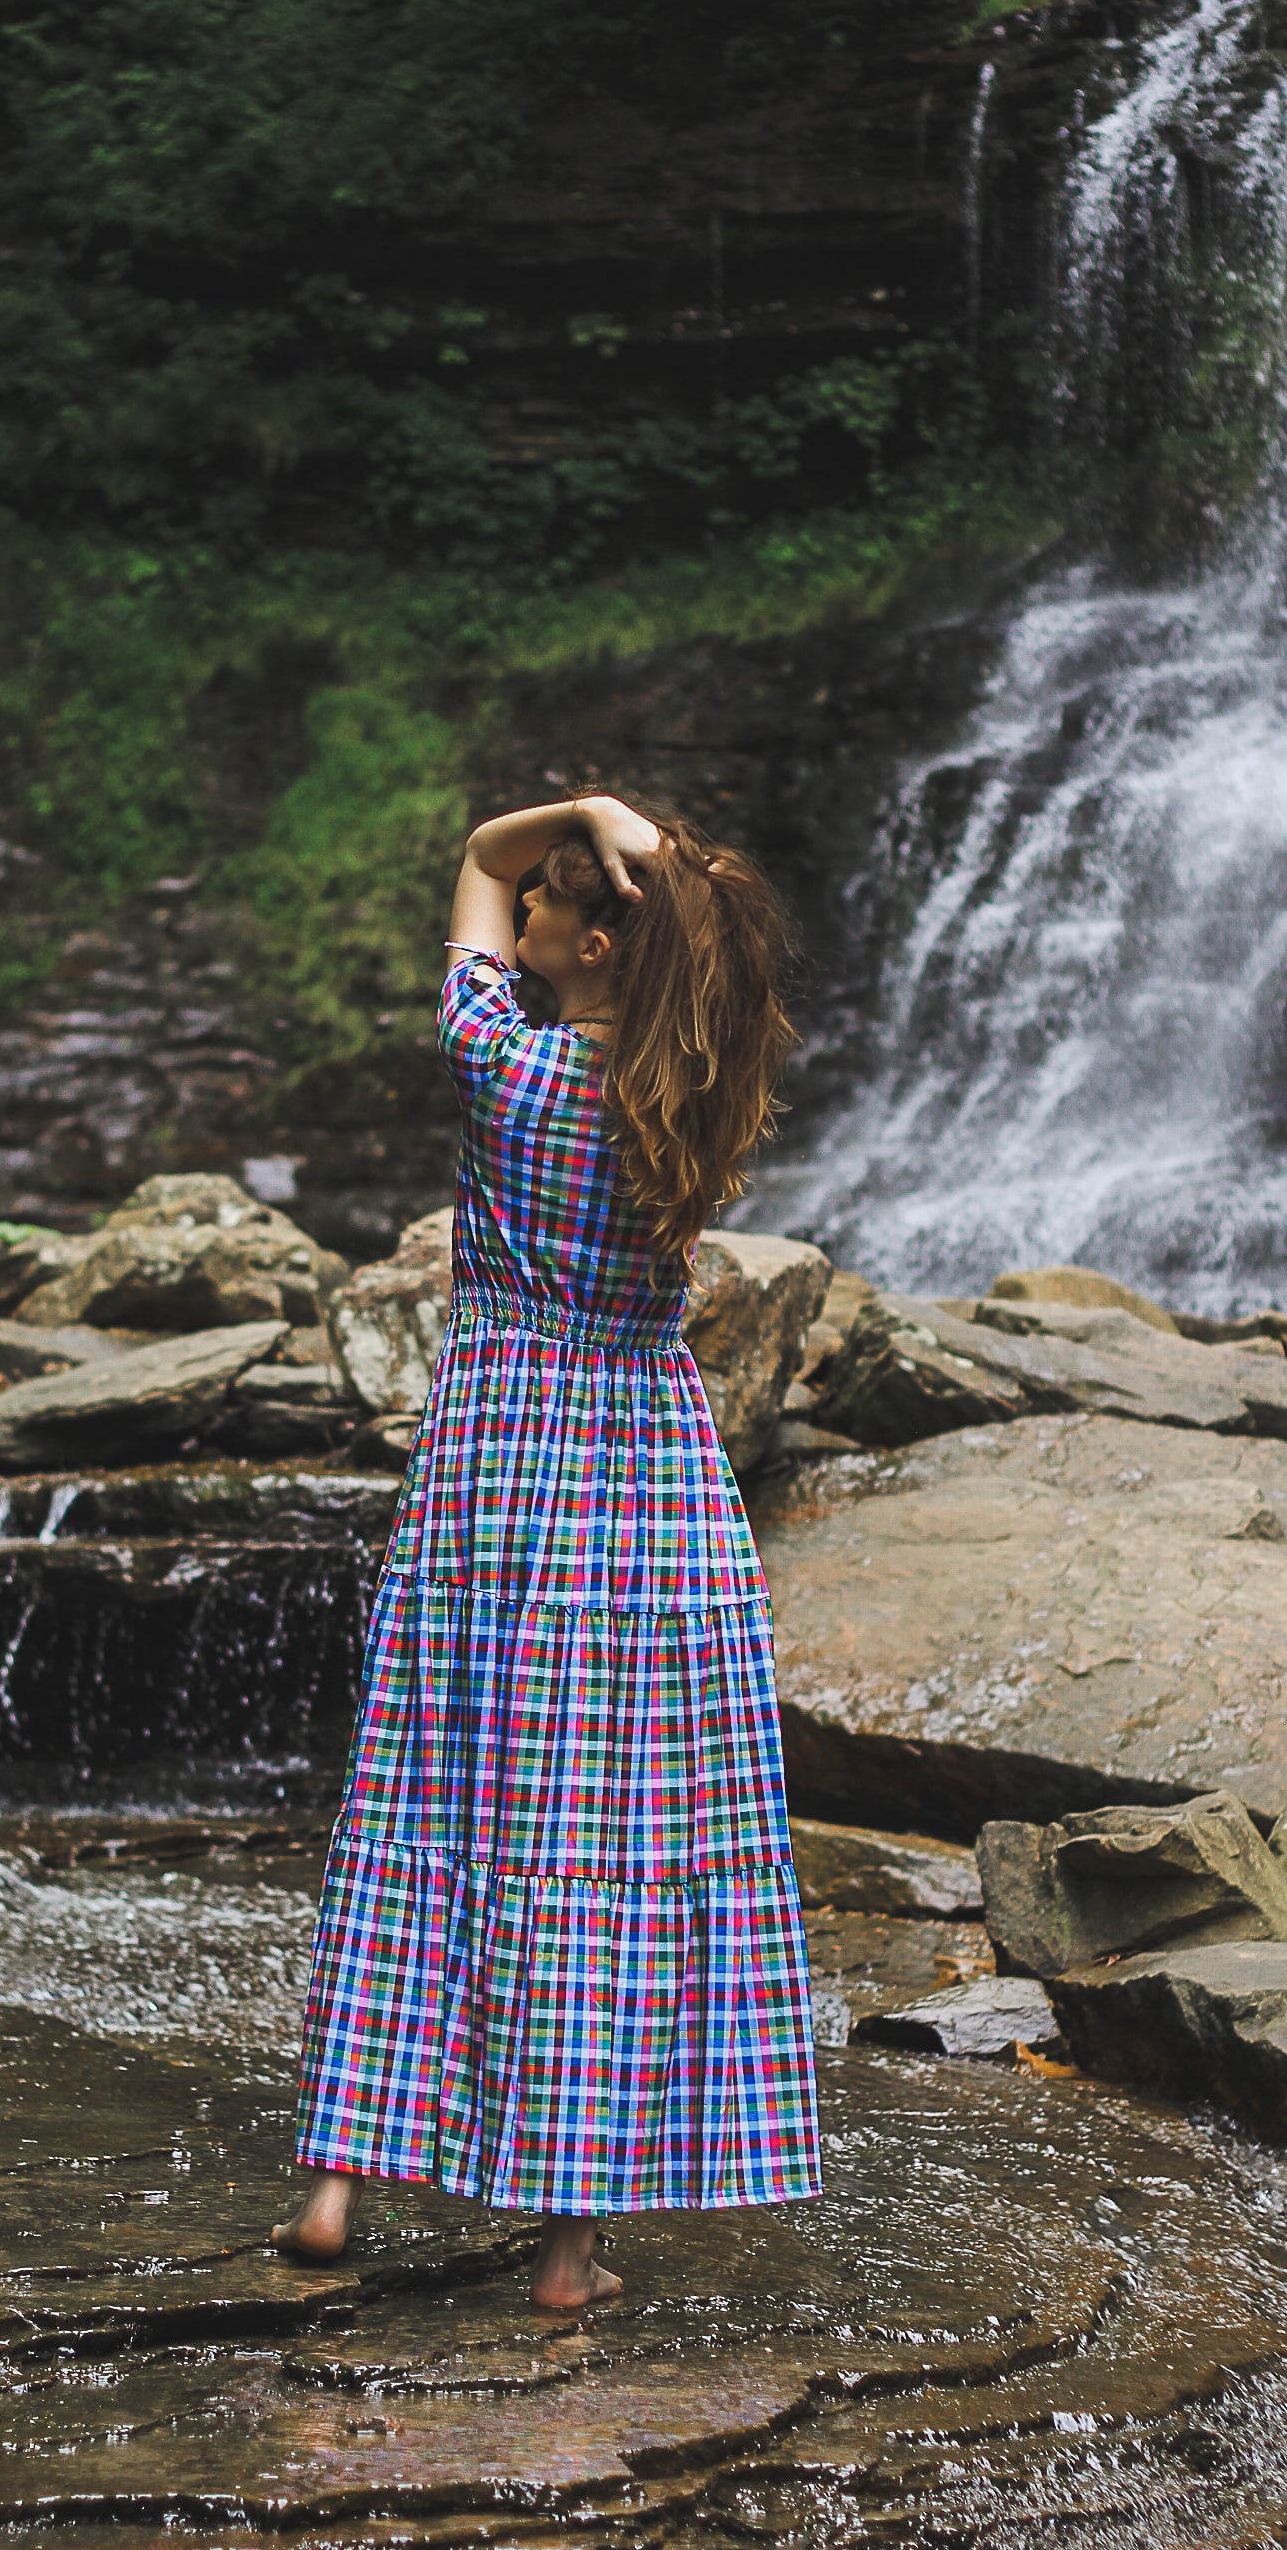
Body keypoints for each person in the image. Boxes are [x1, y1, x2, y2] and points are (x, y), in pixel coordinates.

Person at [272, 789, 821, 2310]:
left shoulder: (499, 1065)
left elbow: (472, 856)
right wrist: (659, 879)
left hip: (498, 1476)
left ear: (586, 939)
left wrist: (583, 809)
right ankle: (569, 2252)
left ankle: (335, 2188)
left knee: (424, 1799)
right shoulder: (691, 1107)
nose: (512, 930)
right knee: (615, 1840)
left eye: (541, 922)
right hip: (649, 1491)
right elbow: (533, 904)